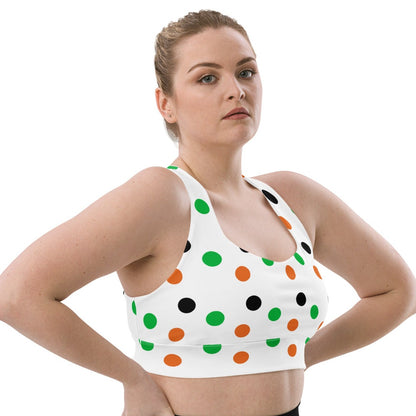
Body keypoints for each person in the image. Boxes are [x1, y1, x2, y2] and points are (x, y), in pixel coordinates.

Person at [0, 9, 415, 416]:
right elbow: (17, 294)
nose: (236, 90)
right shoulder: (162, 197)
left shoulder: (293, 198)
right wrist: (132, 380)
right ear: (166, 104)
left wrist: (299, 356)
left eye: (246, 72)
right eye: (207, 78)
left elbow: (398, 291)